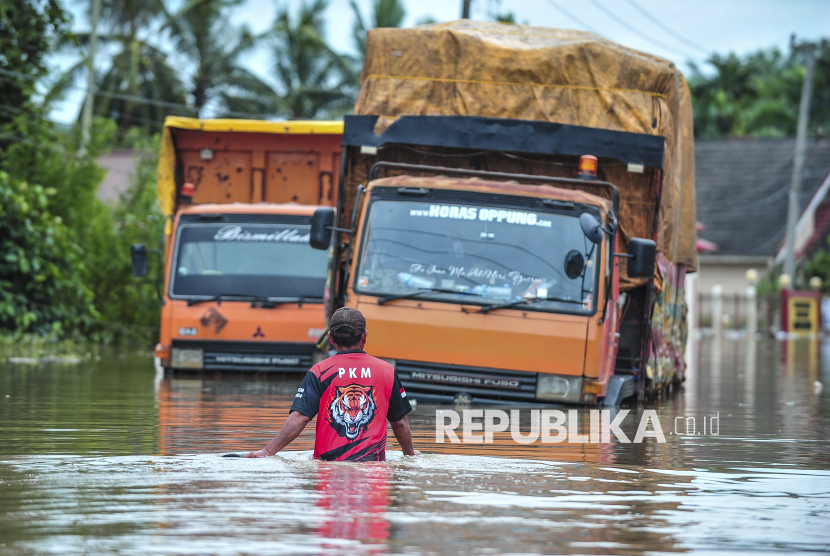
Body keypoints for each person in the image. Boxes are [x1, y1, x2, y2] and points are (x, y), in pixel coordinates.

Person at [245, 307, 420, 461]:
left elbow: (300, 417)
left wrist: (268, 451)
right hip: (373, 472)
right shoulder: (387, 371)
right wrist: (410, 453)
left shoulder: (319, 371)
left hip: (329, 470)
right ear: (365, 336)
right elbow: (400, 423)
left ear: (331, 337)